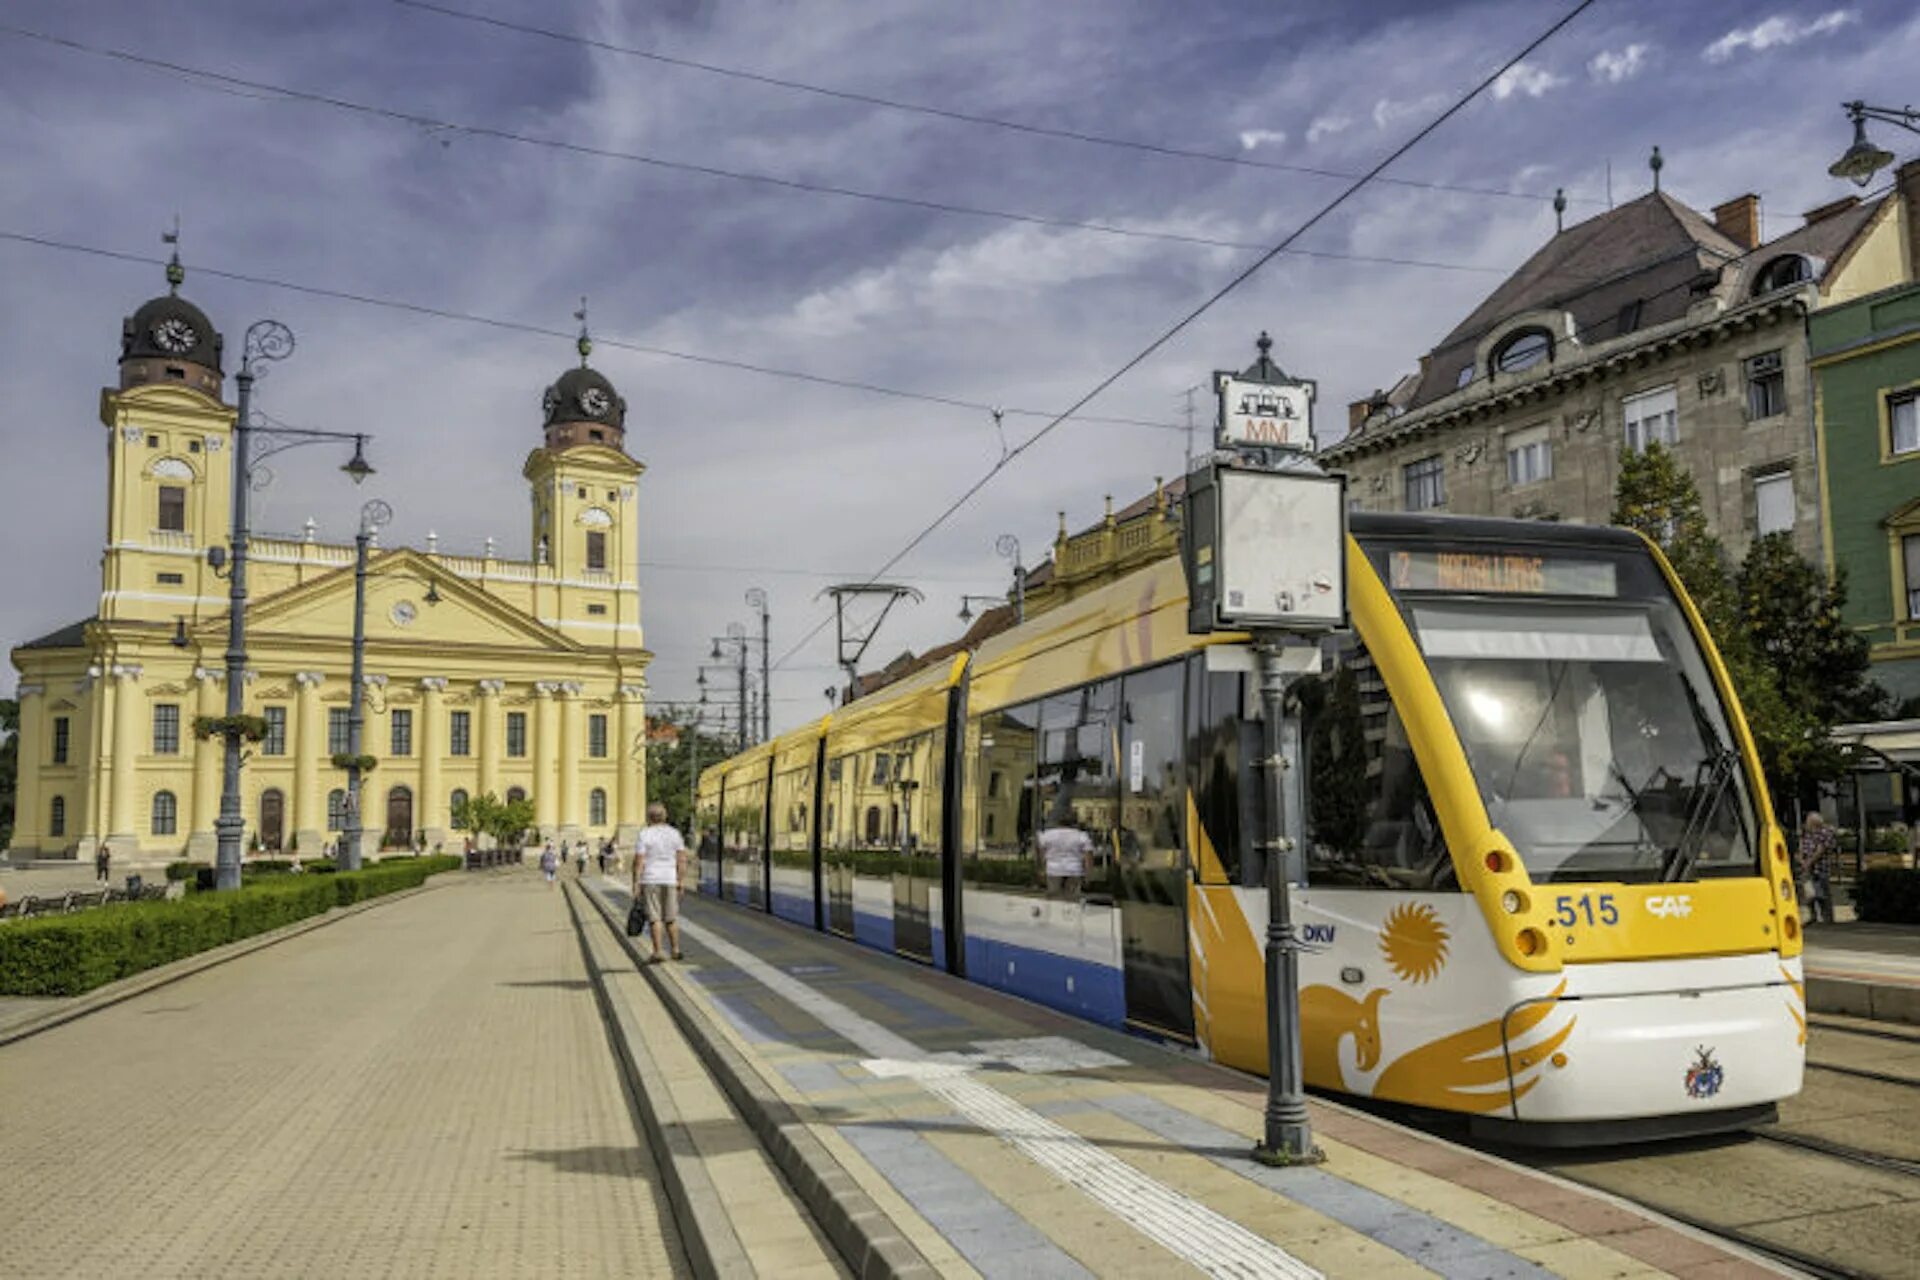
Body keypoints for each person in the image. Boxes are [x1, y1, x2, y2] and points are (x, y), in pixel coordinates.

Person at [633, 801, 688, 962]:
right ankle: (676, 950)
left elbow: (639, 861)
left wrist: (636, 883)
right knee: (671, 917)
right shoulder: (675, 834)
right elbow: (682, 860)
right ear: (665, 816)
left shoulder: (645, 834)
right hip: (670, 879)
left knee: (655, 918)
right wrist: (681, 881)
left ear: (649, 817)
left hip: (650, 879)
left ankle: (658, 952)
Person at [1037, 809, 1092, 899]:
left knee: (1054, 899)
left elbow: (1042, 855)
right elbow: (1088, 857)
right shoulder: (1081, 836)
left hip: (1053, 870)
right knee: (1072, 900)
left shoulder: (1047, 835)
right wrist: (1088, 875)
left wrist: (1042, 870)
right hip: (1074, 870)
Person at [1800, 812, 1838, 924]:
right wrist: (1802, 860)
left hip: (1820, 868)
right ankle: (1813, 916)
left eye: (1808, 821)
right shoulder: (1807, 833)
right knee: (1809, 893)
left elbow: (1820, 850)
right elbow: (1802, 846)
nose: (1806, 824)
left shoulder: (1825, 832)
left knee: (1823, 894)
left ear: (1813, 823)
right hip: (1807, 869)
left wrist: (1809, 862)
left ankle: (1827, 918)